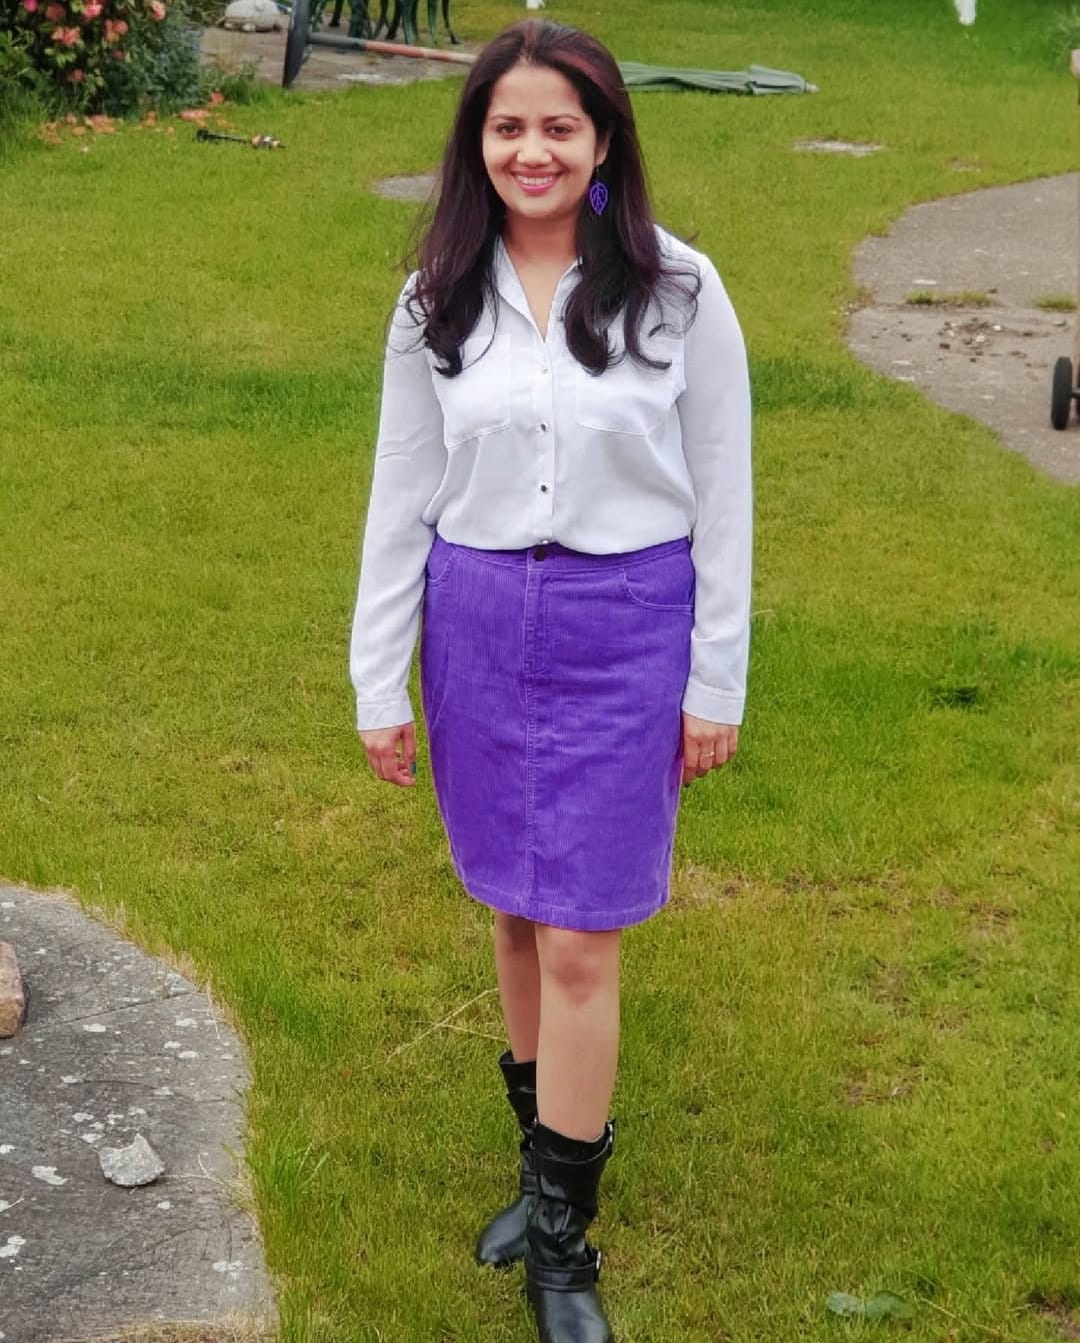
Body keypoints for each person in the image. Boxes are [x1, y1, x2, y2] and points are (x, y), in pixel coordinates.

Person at [349, 18, 751, 1343]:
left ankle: (563, 1248)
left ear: (604, 140)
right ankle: (541, 1174)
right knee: (517, 911)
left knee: (583, 932)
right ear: (478, 141)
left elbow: (726, 498)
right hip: (475, 624)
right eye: (508, 125)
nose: (534, 150)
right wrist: (379, 679)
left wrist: (716, 679)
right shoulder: (437, 297)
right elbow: (401, 494)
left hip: (625, 627)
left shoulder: (678, 290)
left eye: (560, 127)